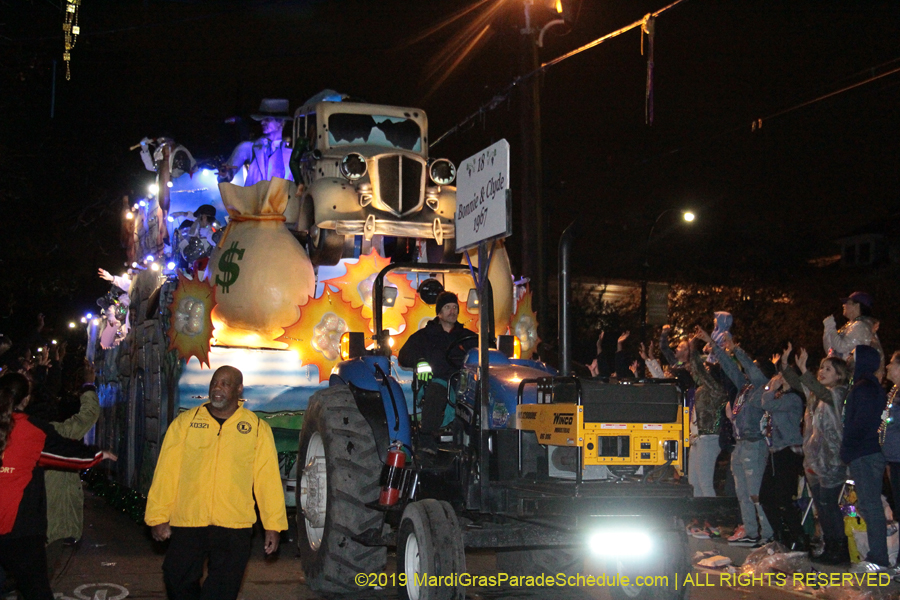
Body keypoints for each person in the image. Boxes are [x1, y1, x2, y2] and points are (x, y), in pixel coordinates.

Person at [144, 365, 287, 600]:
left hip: (234, 525)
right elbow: (166, 473)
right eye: (214, 383)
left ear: (239, 389)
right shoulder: (185, 423)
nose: (217, 388)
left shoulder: (257, 428)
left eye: (225, 383)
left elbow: (267, 479)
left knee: (223, 590)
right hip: (189, 520)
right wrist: (157, 517)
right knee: (175, 578)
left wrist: (273, 524)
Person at [0, 372, 115, 600]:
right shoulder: (31, 431)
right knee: (37, 590)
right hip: (20, 529)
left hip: (18, 529)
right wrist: (98, 455)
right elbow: (67, 456)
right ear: (25, 400)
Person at [700, 332, 774, 548]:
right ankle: (751, 531)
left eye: (755, 367)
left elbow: (748, 367)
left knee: (755, 494)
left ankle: (767, 534)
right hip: (740, 445)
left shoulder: (763, 387)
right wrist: (714, 345)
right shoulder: (745, 387)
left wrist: (736, 350)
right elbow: (731, 369)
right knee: (742, 493)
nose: (750, 369)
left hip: (754, 444)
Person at [398, 291, 477, 442]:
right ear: (439, 313)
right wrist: (420, 361)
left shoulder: (468, 337)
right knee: (437, 389)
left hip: (464, 384)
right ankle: (426, 439)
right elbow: (404, 355)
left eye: (455, 307)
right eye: (448, 307)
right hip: (435, 382)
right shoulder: (424, 336)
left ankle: (478, 439)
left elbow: (484, 353)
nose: (452, 311)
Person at [841, 344, 890, 573]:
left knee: (871, 506)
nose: (849, 359)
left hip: (865, 453)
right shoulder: (866, 386)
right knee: (869, 505)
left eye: (853, 355)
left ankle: (878, 558)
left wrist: (848, 447)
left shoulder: (865, 389)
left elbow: (859, 423)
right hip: (866, 452)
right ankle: (876, 555)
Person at [45, 360, 101, 552]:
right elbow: (88, 414)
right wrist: (88, 385)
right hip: (52, 531)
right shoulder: (55, 433)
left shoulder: (11, 430)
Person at [221, 99, 294, 187]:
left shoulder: (290, 153)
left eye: (267, 119)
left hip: (282, 199)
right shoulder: (249, 147)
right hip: (255, 198)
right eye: (262, 119)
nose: (262, 122)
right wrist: (225, 173)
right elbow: (227, 173)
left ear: (280, 122)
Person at [823, 291, 883, 366]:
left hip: (850, 374)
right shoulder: (851, 325)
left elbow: (841, 347)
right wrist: (828, 328)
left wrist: (831, 326)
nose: (843, 305)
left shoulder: (860, 327)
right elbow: (830, 350)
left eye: (847, 303)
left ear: (857, 305)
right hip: (840, 373)